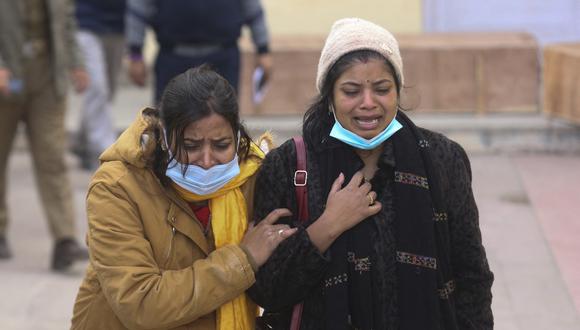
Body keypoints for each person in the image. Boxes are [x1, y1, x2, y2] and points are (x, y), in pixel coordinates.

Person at [248, 18, 494, 329]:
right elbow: (267, 289)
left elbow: (472, 275)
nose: (368, 104)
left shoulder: (442, 159)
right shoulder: (288, 166)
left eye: (382, 89)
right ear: (329, 97)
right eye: (351, 91)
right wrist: (327, 226)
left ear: (398, 90)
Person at [71, 66, 296, 329]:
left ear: (237, 137)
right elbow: (141, 304)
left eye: (221, 145)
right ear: (165, 138)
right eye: (191, 146)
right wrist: (243, 260)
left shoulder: (253, 177)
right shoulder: (117, 187)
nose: (207, 161)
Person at [0, 0, 90, 270]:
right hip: (7, 74)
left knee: (52, 157)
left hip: (47, 77)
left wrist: (76, 63)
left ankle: (64, 239)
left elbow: (67, 23)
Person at [125, 0, 273, 102]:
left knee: (224, 124)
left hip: (223, 59)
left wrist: (263, 49)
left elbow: (253, 9)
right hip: (173, 59)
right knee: (168, 126)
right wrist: (135, 54)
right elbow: (138, 10)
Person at [72, 0, 126, 171]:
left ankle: (82, 142)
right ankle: (107, 155)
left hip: (120, 24)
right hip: (85, 22)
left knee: (106, 92)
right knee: (97, 89)